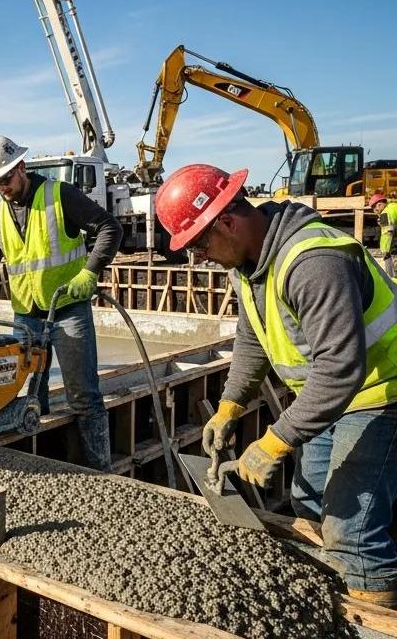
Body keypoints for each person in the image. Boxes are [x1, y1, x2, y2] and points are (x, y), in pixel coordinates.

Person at [155, 163, 397, 607]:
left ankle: (372, 615)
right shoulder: (249, 263)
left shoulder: (314, 262)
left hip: (383, 393)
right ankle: (334, 594)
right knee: (308, 501)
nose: (198, 258)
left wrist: (275, 441)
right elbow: (253, 340)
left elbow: (341, 369)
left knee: (352, 527)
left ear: (227, 222)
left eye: (199, 244)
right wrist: (231, 404)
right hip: (332, 399)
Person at [0, 135, 123, 471]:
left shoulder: (60, 195)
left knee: (83, 396)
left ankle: (101, 470)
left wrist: (90, 273)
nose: (2, 188)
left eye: (5, 179)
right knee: (29, 396)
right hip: (25, 318)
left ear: (21, 167)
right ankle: (42, 469)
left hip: (67, 311)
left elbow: (109, 228)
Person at [370, 192, 397, 276]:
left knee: (392, 274)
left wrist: (385, 251)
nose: (375, 211)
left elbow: (387, 234)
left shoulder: (385, 214)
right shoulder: (393, 206)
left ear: (379, 204)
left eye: (374, 208)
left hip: (393, 248)